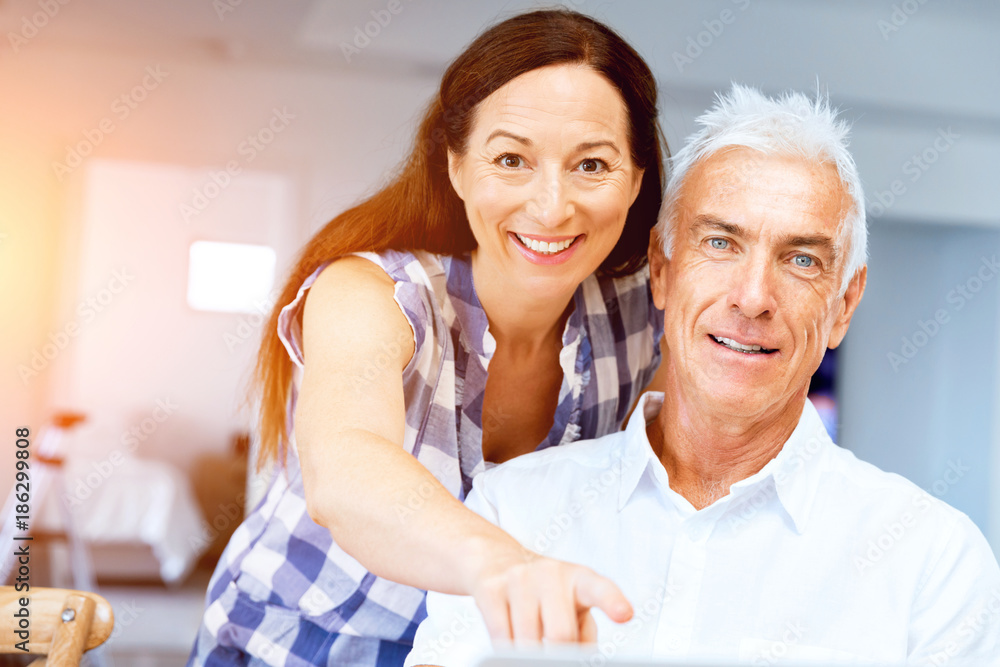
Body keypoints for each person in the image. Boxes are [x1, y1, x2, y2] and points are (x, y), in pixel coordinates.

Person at [405, 84, 1000, 666]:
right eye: (720, 242)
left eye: (801, 260)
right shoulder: (512, 514)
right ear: (662, 271)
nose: (753, 298)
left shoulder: (933, 562)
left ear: (843, 304)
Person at [188, 9, 670, 667]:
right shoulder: (372, 293)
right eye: (511, 159)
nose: (553, 205)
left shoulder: (643, 319)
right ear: (458, 167)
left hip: (463, 652)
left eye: (592, 164)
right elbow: (346, 467)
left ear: (637, 180)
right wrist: (499, 564)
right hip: (287, 644)